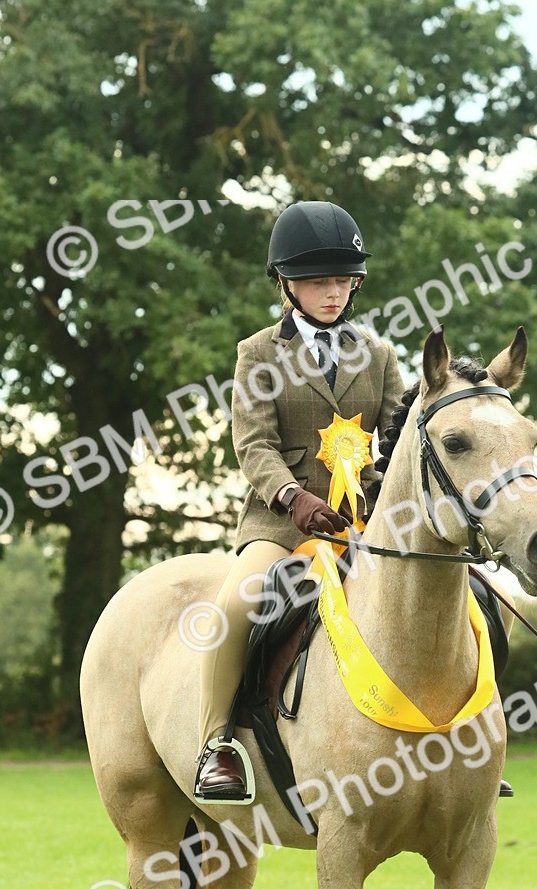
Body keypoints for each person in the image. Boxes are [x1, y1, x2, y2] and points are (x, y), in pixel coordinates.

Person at [195, 200, 404, 800]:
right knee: (237, 604)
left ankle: (464, 741)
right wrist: (292, 497)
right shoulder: (259, 353)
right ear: (286, 284)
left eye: (342, 281)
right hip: (281, 526)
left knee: (457, 595)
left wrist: (381, 496)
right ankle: (217, 746)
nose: (332, 293)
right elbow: (253, 443)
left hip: (363, 525)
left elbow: (395, 444)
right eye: (317, 282)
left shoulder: (379, 356)